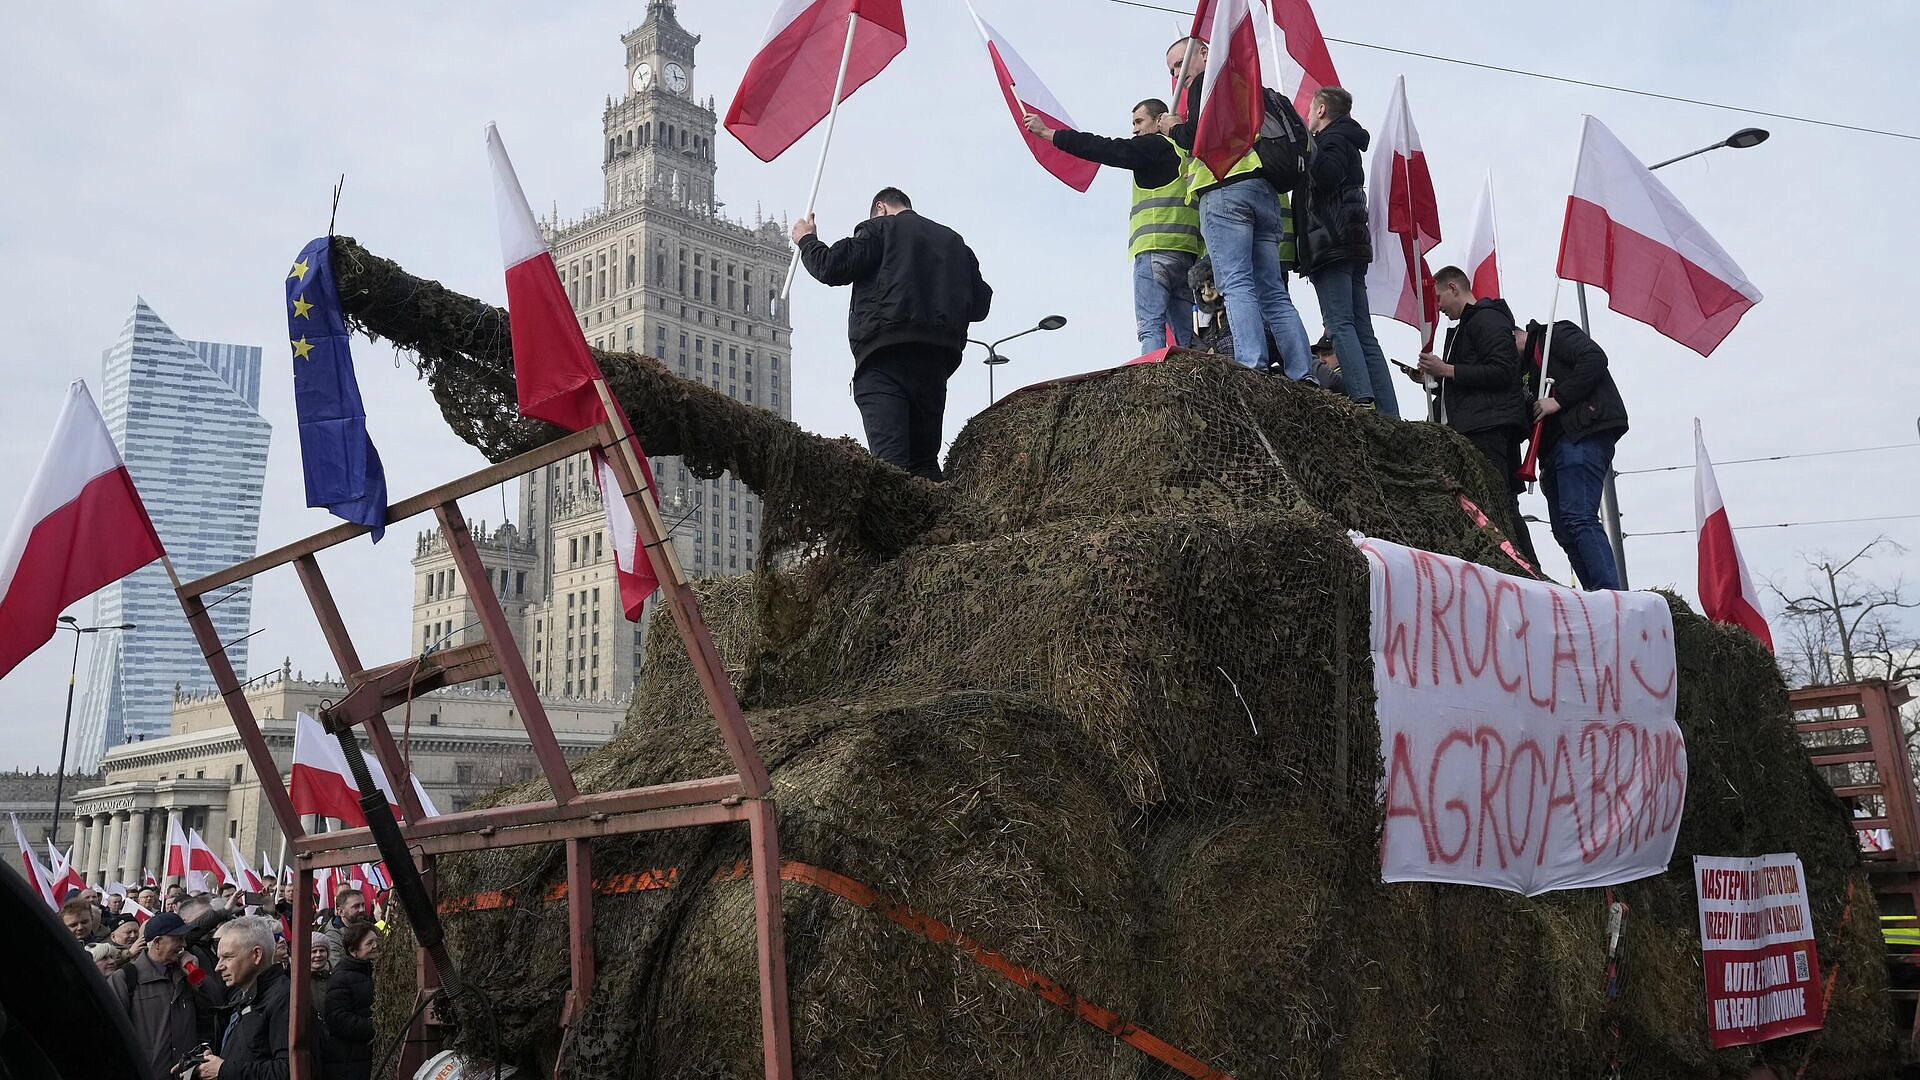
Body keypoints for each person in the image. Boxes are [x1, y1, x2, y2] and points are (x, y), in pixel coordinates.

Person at [794, 188, 992, 482]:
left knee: (890, 467)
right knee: (924, 462)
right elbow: (980, 305)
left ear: (881, 208)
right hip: (936, 361)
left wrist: (806, 239)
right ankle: (942, 525)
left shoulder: (879, 229)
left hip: (884, 357)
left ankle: (898, 525)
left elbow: (831, 267)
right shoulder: (954, 243)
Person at [1160, 37, 1313, 379]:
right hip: (1262, 191)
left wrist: (1174, 128)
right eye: (1171, 68)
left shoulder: (1207, 82)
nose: (1177, 73)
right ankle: (1303, 372)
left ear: (1204, 53)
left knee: (1235, 284)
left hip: (1224, 191)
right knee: (1273, 291)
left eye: (1179, 62)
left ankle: (1251, 366)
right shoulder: (1248, 85)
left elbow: (1199, 136)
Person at [1022, 99, 1202, 355]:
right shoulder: (1186, 155)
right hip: (1186, 256)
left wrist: (1048, 134)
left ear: (1160, 118)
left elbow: (1104, 148)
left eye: (1139, 122)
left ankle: (1151, 387)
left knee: (1151, 328)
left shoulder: (1152, 146)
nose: (1134, 130)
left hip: (1154, 251)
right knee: (1185, 336)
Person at [1411, 266, 1539, 567]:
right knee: (1492, 500)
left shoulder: (1487, 319)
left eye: (1439, 297)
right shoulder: (1470, 326)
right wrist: (1435, 378)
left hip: (1489, 425)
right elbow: (1472, 376)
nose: (1438, 307)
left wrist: (1448, 370)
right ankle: (1515, 564)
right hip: (1478, 423)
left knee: (1499, 499)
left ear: (1454, 287)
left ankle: (1526, 567)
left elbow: (1502, 371)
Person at [1299, 86, 1396, 415]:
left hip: (1332, 244)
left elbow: (1325, 177)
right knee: (1360, 328)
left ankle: (1362, 399)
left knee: (1340, 324)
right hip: (1349, 244)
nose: (1308, 117)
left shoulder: (1333, 140)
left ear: (1322, 110)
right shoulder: (1346, 140)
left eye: (1311, 111)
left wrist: (1306, 146)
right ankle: (1385, 408)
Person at [1516, 318, 1629, 589]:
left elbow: (1594, 358)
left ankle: (1611, 596)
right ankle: (1596, 592)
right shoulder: (1522, 372)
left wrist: (1559, 399)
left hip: (1581, 434)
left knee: (1578, 517)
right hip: (1554, 452)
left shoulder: (1553, 333)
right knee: (1564, 532)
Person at [111, 911, 215, 1080]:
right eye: (177, 939)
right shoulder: (125, 978)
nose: (183, 945)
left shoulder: (185, 973)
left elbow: (214, 1007)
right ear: (158, 942)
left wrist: (197, 978)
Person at [197, 917, 292, 1079]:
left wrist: (223, 1070)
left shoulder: (283, 998)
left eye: (228, 957)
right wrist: (209, 1063)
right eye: (219, 958)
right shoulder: (241, 995)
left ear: (256, 954)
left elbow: (289, 1070)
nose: (218, 967)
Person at [322, 921, 379, 1080]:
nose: (375, 945)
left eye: (376, 941)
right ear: (354, 950)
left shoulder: (374, 971)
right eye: (369, 943)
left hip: (365, 1057)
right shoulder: (341, 977)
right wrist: (378, 1026)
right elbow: (338, 1020)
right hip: (349, 1062)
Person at [320, 885, 368, 967]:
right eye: (356, 906)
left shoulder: (369, 927)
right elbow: (338, 966)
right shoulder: (333, 936)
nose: (362, 910)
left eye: (363, 905)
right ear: (341, 912)